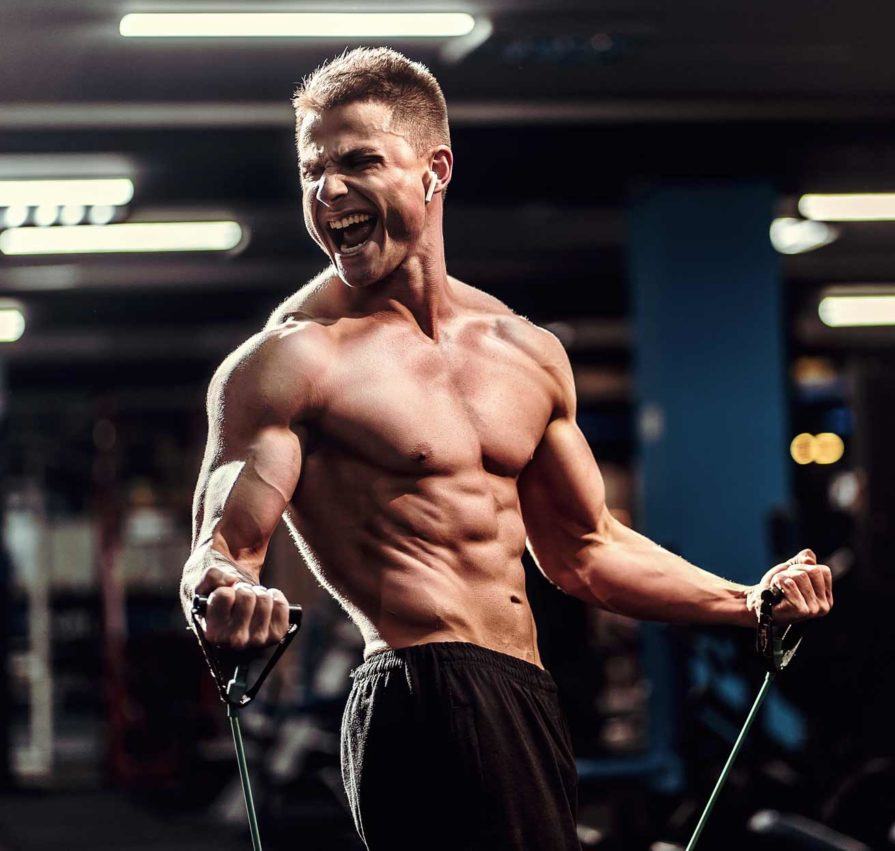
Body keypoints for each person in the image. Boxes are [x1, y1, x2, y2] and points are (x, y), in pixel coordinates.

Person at [180, 47, 833, 851]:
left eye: (358, 162)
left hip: (524, 694)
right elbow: (222, 549)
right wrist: (223, 593)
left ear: (435, 169)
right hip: (422, 691)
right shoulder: (293, 361)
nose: (328, 190)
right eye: (313, 169)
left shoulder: (524, 352)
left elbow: (585, 549)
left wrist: (746, 602)